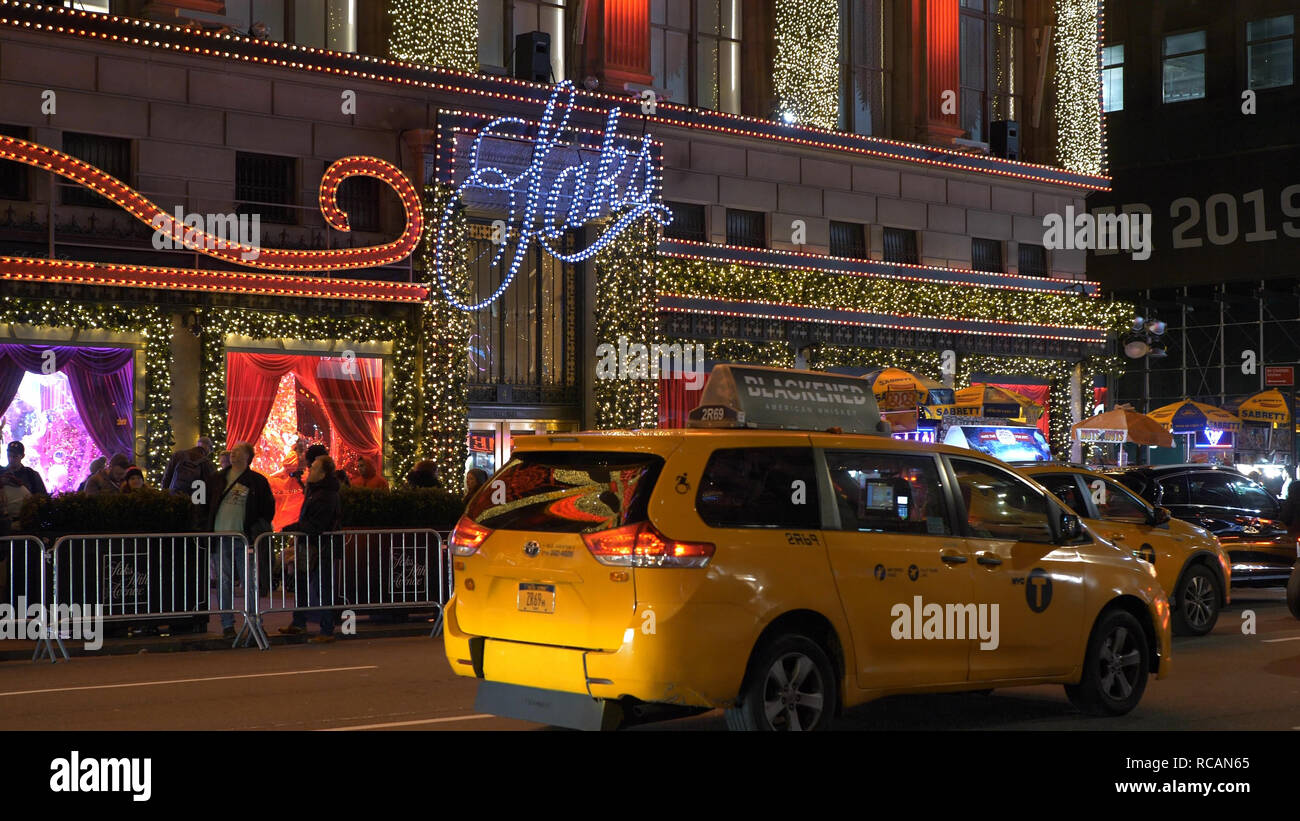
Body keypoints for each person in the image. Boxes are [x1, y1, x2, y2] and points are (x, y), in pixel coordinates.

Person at [208, 441, 276, 641]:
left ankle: (254, 622)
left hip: (244, 538)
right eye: (233, 451)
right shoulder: (217, 479)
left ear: (248, 457)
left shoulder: (257, 481)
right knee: (224, 581)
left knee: (249, 581)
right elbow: (203, 505)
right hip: (221, 536)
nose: (233, 454)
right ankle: (227, 624)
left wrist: (256, 529)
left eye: (238, 451)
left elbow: (267, 509)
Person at [280, 454, 342, 643]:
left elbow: (316, 525)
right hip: (312, 546)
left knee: (322, 588)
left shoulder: (325, 495)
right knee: (303, 584)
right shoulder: (316, 491)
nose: (309, 470)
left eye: (314, 468)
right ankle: (299, 622)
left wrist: (292, 528)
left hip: (321, 547)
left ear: (323, 473)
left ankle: (326, 630)